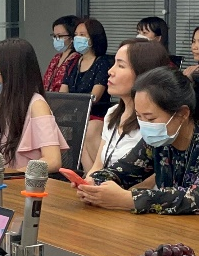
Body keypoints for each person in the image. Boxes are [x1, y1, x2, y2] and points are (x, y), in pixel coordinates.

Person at [79, 68, 199, 224]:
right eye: (139, 116)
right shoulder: (158, 139)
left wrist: (129, 199)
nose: (144, 125)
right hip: (176, 228)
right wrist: (94, 185)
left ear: (182, 114)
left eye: (150, 118)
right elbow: (122, 171)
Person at [0, 38, 68, 173]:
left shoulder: (37, 105)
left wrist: (15, 175)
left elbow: (52, 160)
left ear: (11, 70)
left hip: (22, 180)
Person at [85, 38, 173, 180]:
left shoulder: (155, 123)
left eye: (120, 66)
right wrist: (86, 184)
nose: (110, 71)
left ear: (143, 73)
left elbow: (152, 180)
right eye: (114, 63)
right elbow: (97, 167)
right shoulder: (112, 113)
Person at [60, 17, 114, 170]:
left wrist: (74, 102)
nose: (77, 38)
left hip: (95, 114)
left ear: (93, 39)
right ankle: (90, 175)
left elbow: (95, 96)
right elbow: (63, 92)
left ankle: (101, 172)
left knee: (87, 130)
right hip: (74, 115)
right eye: (76, 35)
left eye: (82, 35)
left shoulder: (102, 63)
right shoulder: (72, 63)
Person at [42, 14, 80, 92]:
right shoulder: (56, 58)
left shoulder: (76, 58)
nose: (56, 39)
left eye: (60, 36)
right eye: (54, 36)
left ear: (72, 37)